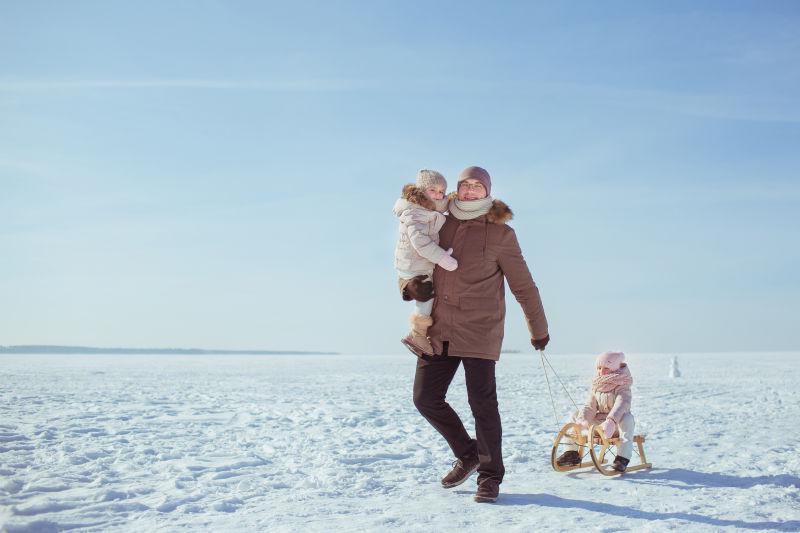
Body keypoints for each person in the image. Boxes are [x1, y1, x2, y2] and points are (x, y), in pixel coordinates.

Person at [401, 166, 550, 503]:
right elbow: (411, 257)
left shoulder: (501, 234)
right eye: (464, 186)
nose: (469, 192)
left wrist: (538, 329)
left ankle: (490, 476)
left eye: (476, 186)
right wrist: (408, 287)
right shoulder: (439, 219)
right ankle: (468, 453)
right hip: (439, 327)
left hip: (480, 329)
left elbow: (523, 286)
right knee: (425, 398)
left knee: (482, 404)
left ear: (487, 191)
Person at [393, 169, 458, 356]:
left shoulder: (429, 205)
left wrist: (454, 199)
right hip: (413, 263)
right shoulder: (414, 212)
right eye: (433, 190)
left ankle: (420, 333)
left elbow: (443, 203)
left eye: (442, 191)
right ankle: (417, 334)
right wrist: (442, 258)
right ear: (422, 191)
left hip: (416, 261)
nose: (438, 195)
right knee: (427, 295)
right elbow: (420, 243)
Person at [555, 351, 634, 473]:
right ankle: (571, 453)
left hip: (616, 425)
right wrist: (583, 419)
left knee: (628, 419)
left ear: (615, 368)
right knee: (575, 415)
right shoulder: (597, 385)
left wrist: (611, 421)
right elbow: (590, 406)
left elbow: (622, 404)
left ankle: (622, 458)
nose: (602, 371)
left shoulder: (622, 385)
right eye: (599, 368)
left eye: (606, 368)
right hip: (599, 425)